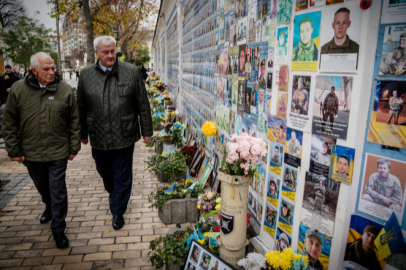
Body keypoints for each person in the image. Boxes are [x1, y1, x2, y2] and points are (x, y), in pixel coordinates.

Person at [2, 52, 81, 248]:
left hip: (58, 152)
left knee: (58, 191)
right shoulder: (19, 90)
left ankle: (58, 229)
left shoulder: (64, 90)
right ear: (33, 70)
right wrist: (14, 150)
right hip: (31, 152)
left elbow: (74, 121)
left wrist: (74, 147)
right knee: (42, 187)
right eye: (46, 69)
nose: (51, 72)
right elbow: (9, 121)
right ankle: (48, 205)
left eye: (53, 68)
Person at [77, 36, 153, 231]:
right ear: (97, 53)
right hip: (98, 134)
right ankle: (114, 192)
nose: (111, 55)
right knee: (104, 171)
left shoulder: (131, 72)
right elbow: (81, 106)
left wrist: (147, 131)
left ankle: (118, 210)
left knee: (122, 174)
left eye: (113, 51)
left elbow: (142, 104)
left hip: (125, 133)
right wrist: (82, 133)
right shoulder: (85, 75)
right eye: (106, 52)